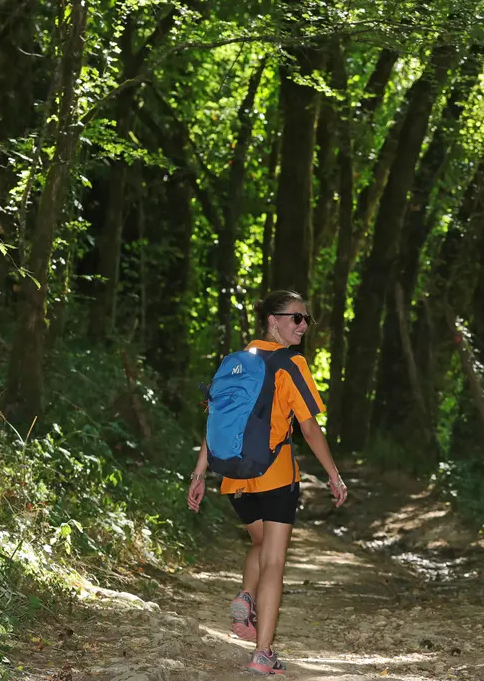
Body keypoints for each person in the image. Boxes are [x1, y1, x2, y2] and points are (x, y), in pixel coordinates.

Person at [187, 289, 347, 676]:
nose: (304, 326)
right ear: (273, 320)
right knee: (274, 559)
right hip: (274, 474)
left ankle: (246, 595)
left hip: (233, 478)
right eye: (297, 318)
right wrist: (332, 473)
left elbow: (215, 421)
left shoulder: (234, 362)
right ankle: (263, 653)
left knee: (259, 543)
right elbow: (308, 427)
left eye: (307, 319)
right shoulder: (290, 363)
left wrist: (199, 472)